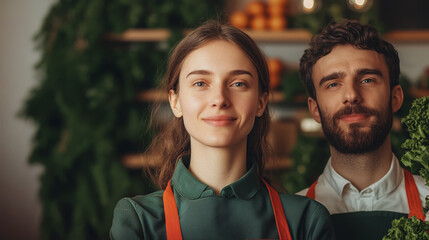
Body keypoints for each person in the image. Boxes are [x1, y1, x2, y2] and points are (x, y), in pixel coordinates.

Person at [110, 21, 335, 240]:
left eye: (238, 84)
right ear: (175, 101)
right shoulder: (139, 221)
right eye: (200, 83)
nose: (219, 99)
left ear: (261, 102)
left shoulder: (306, 220)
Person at [297, 19, 429, 239]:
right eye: (333, 84)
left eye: (367, 80)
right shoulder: (291, 219)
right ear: (315, 109)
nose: (351, 95)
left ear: (395, 98)